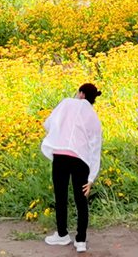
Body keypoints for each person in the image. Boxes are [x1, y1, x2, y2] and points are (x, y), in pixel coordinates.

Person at [42, 83, 104, 254]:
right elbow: (95, 147)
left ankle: (62, 235)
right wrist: (91, 178)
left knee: (61, 196)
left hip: (61, 155)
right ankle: (81, 240)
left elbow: (48, 124)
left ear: (81, 93)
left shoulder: (66, 103)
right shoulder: (93, 116)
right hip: (81, 159)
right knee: (81, 200)